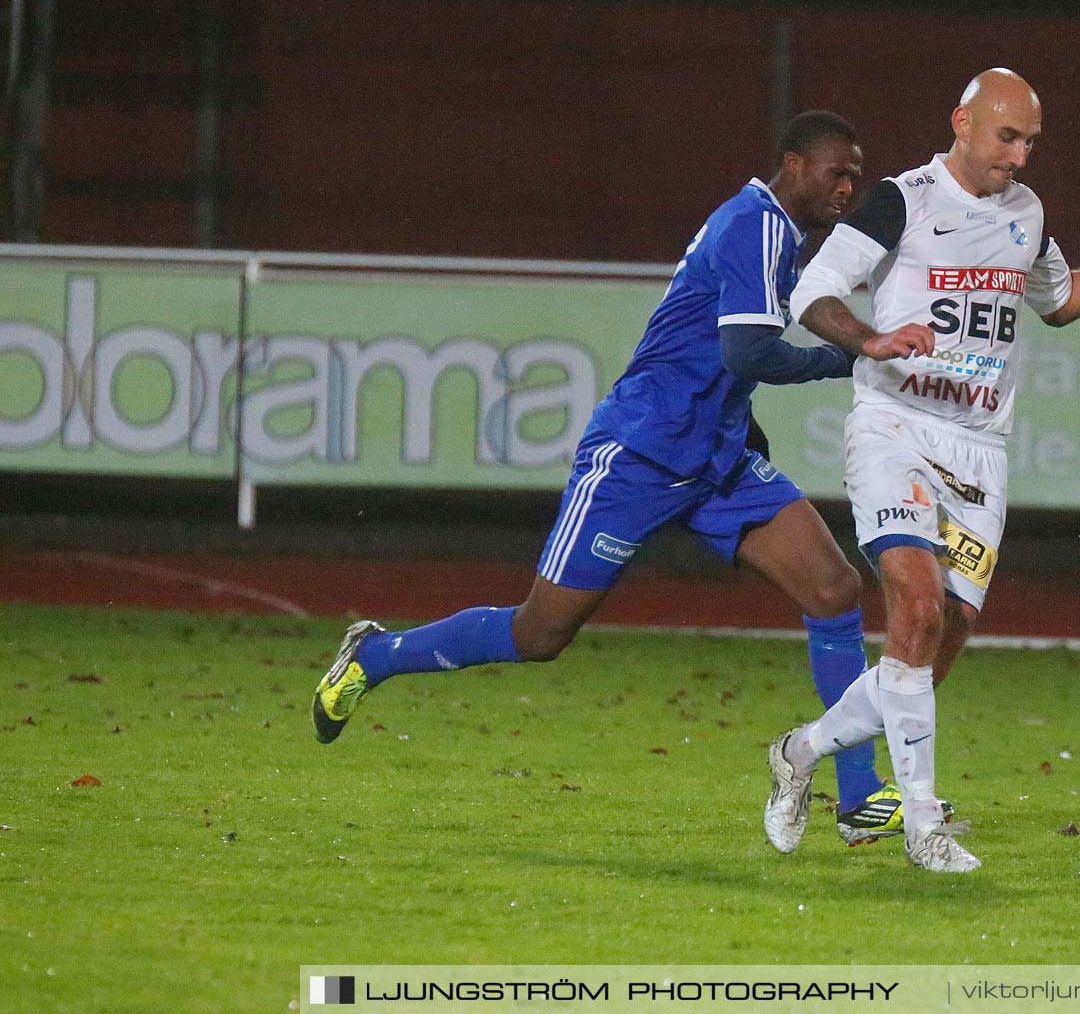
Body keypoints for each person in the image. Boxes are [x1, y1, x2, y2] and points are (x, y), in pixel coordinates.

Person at [312, 110, 938, 845]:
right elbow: (747, 356)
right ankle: (377, 656)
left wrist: (745, 427)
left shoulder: (776, 237)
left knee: (834, 588)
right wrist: (855, 356)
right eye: (837, 172)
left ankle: (859, 794)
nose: (848, 188)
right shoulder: (758, 226)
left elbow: (719, 362)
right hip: (639, 456)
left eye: (857, 177)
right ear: (793, 165)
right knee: (540, 633)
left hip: (715, 459)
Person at [762, 69, 1080, 871]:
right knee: (918, 601)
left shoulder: (1025, 215)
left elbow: (1061, 298)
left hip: (978, 454)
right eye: (1008, 136)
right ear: (962, 121)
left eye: (1031, 141)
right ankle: (921, 824)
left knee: (928, 649)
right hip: (896, 428)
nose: (1021, 156)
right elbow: (813, 291)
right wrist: (868, 340)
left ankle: (800, 751)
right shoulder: (902, 200)